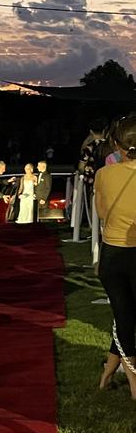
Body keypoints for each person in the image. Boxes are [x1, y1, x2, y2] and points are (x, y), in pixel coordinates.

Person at [94, 114, 136, 398]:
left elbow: (100, 214)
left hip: (112, 254)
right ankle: (134, 382)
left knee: (125, 316)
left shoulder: (103, 174)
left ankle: (108, 374)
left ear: (117, 144)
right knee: (126, 318)